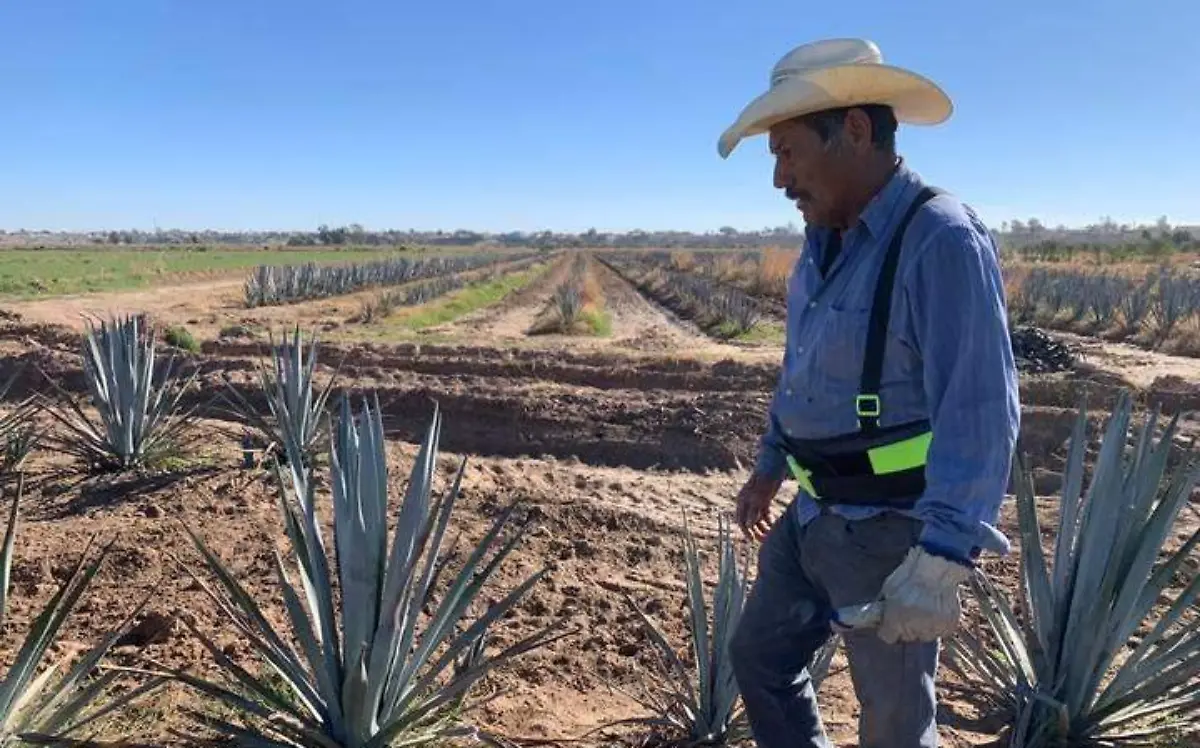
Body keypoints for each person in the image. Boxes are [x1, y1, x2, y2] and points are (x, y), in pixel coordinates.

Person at [715, 38, 1020, 748]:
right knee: (759, 659)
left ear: (853, 129)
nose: (780, 180)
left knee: (892, 725)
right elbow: (804, 375)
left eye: (787, 152)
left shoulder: (940, 240)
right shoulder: (822, 247)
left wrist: (942, 557)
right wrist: (768, 467)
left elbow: (979, 407)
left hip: (890, 530)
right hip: (812, 514)